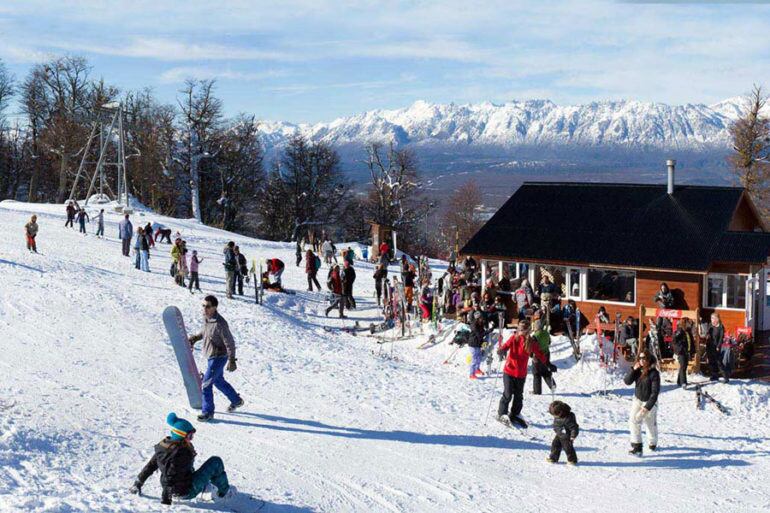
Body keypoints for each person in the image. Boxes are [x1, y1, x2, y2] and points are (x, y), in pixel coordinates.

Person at [129, 412, 235, 505]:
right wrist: (166, 497)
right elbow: (170, 475)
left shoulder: (164, 446)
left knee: (196, 470)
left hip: (176, 486)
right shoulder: (180, 453)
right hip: (184, 491)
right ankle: (224, 492)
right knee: (215, 462)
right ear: (181, 436)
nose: (191, 439)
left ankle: (206, 487)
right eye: (189, 436)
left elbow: (150, 466)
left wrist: (138, 483)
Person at [188, 295, 243, 422]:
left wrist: (232, 359)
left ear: (214, 307)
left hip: (219, 357)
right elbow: (205, 332)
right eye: (203, 306)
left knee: (206, 384)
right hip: (211, 356)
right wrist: (195, 338)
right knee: (218, 381)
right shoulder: (207, 319)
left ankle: (208, 412)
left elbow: (229, 342)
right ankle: (236, 400)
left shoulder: (220, 323)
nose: (204, 309)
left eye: (208, 306)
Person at [497, 319, 555, 428]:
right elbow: (505, 346)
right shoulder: (514, 338)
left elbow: (540, 354)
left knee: (519, 396)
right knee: (508, 394)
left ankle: (515, 414)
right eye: (519, 328)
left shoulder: (532, 342)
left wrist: (548, 364)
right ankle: (502, 414)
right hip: (509, 371)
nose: (520, 330)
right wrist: (501, 350)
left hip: (521, 374)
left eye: (522, 329)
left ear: (527, 330)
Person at [624, 351, 660, 456]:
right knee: (633, 420)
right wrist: (633, 369)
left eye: (644, 358)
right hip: (638, 400)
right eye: (640, 358)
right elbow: (627, 381)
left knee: (649, 425)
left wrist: (647, 407)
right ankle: (637, 446)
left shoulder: (654, 373)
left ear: (648, 360)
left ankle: (652, 443)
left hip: (649, 403)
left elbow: (655, 393)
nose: (641, 360)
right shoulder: (638, 371)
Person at [546, 401, 579, 465]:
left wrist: (573, 436)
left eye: (555, 415)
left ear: (560, 412)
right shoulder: (557, 415)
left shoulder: (568, 418)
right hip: (559, 434)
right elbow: (556, 424)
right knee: (555, 445)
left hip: (567, 436)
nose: (554, 417)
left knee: (568, 448)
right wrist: (556, 429)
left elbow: (574, 427)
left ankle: (572, 460)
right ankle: (553, 458)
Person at [531, 315, 556, 394]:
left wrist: (531, 355)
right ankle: (552, 384)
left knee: (536, 374)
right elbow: (549, 342)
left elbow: (532, 347)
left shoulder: (535, 336)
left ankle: (537, 391)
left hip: (537, 356)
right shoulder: (546, 333)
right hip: (546, 354)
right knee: (545, 371)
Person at [672, 318, 693, 387]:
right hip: (681, 352)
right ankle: (683, 382)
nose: (689, 324)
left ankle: (679, 381)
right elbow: (674, 340)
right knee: (683, 366)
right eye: (687, 323)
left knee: (684, 366)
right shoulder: (680, 331)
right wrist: (679, 348)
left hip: (687, 351)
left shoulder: (688, 331)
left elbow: (690, 341)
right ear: (684, 323)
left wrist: (692, 350)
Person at [706, 313, 725, 381]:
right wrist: (707, 335)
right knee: (711, 361)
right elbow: (707, 333)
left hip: (716, 347)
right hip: (709, 346)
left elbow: (721, 338)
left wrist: (718, 346)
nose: (711, 320)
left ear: (717, 319)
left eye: (713, 318)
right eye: (711, 318)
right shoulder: (710, 325)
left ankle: (725, 376)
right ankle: (714, 375)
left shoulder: (720, 327)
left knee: (718, 362)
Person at [468, 311, 486, 379]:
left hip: (478, 343)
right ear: (477, 318)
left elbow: (483, 332)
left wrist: (490, 329)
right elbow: (479, 334)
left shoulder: (480, 324)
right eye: (481, 317)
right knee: (474, 359)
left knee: (479, 357)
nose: (482, 319)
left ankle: (477, 369)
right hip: (473, 343)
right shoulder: (474, 325)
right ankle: (471, 374)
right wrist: (488, 331)